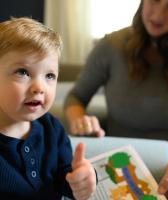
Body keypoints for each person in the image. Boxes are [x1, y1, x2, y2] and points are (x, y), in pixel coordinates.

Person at [64, 0, 168, 199]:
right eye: (154, 0)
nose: (158, 15)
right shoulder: (111, 46)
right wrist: (79, 119)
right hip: (115, 171)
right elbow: (76, 97)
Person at [0, 17, 97, 200]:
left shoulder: (52, 127)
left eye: (50, 76)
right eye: (23, 72)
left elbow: (65, 175)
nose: (40, 87)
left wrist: (82, 179)